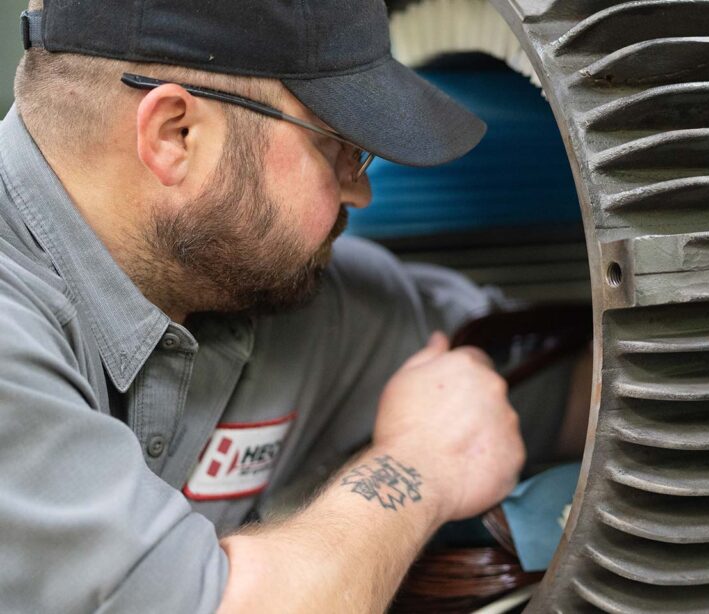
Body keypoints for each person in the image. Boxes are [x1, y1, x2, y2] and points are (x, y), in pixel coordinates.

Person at [0, 0, 588, 611]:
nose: (358, 192)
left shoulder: (257, 286)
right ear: (175, 134)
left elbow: (549, 389)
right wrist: (420, 467)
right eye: (341, 149)